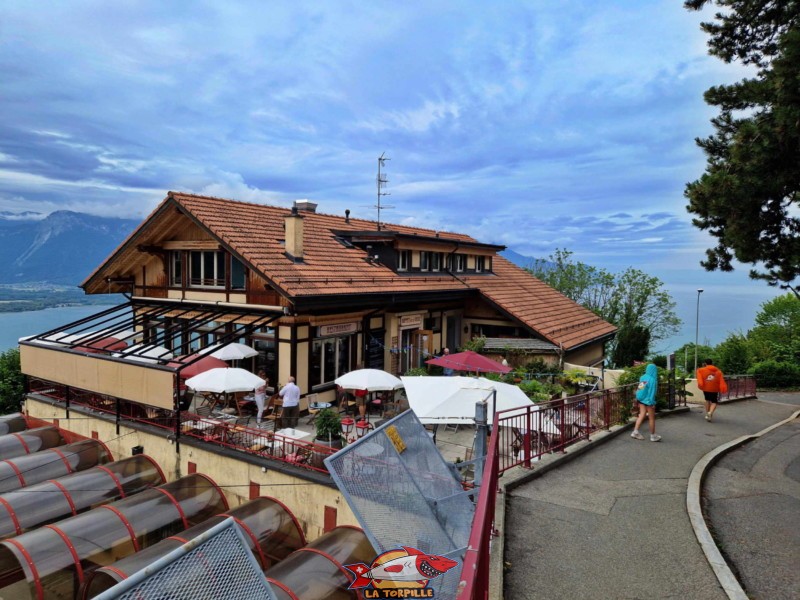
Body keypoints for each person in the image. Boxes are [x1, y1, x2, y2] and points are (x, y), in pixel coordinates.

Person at [631, 363, 661, 442]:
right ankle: (653, 436)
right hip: (648, 401)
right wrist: (652, 403)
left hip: (641, 399)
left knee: (642, 414)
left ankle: (635, 432)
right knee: (651, 418)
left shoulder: (643, 377)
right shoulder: (653, 380)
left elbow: (640, 388)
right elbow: (652, 392)